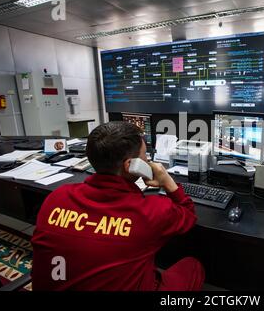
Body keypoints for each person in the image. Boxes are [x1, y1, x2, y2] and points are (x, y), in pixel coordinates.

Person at [31, 122, 205, 290]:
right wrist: (167, 181)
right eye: (145, 156)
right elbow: (188, 215)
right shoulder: (149, 212)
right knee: (193, 266)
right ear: (131, 166)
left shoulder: (56, 198)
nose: (148, 160)